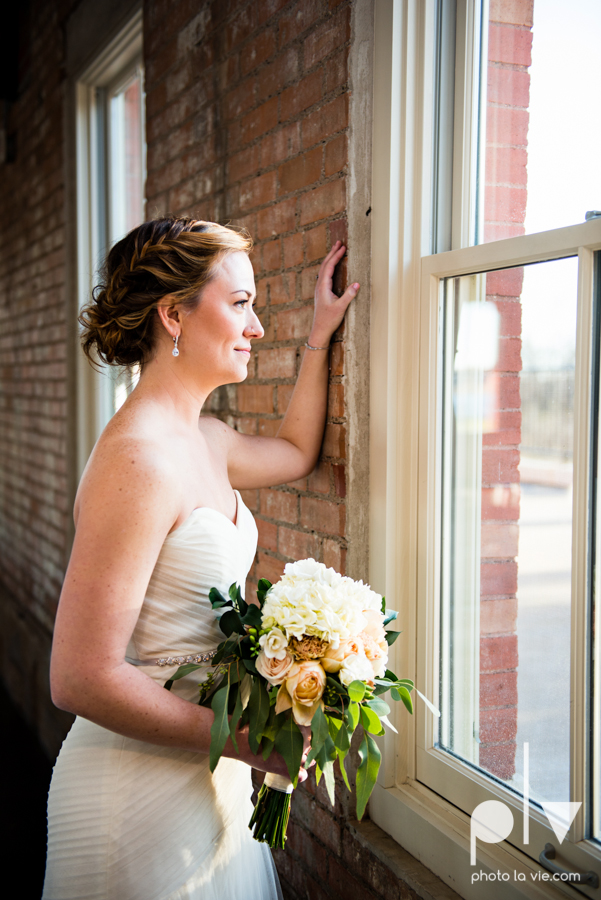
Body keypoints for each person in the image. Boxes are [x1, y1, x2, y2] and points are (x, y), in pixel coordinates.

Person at [43, 216, 359, 900]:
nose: (256, 327)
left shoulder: (207, 439)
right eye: (241, 303)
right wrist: (247, 742)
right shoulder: (138, 460)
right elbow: (78, 677)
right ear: (173, 314)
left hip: (206, 770)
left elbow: (297, 451)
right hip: (133, 794)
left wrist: (319, 333)